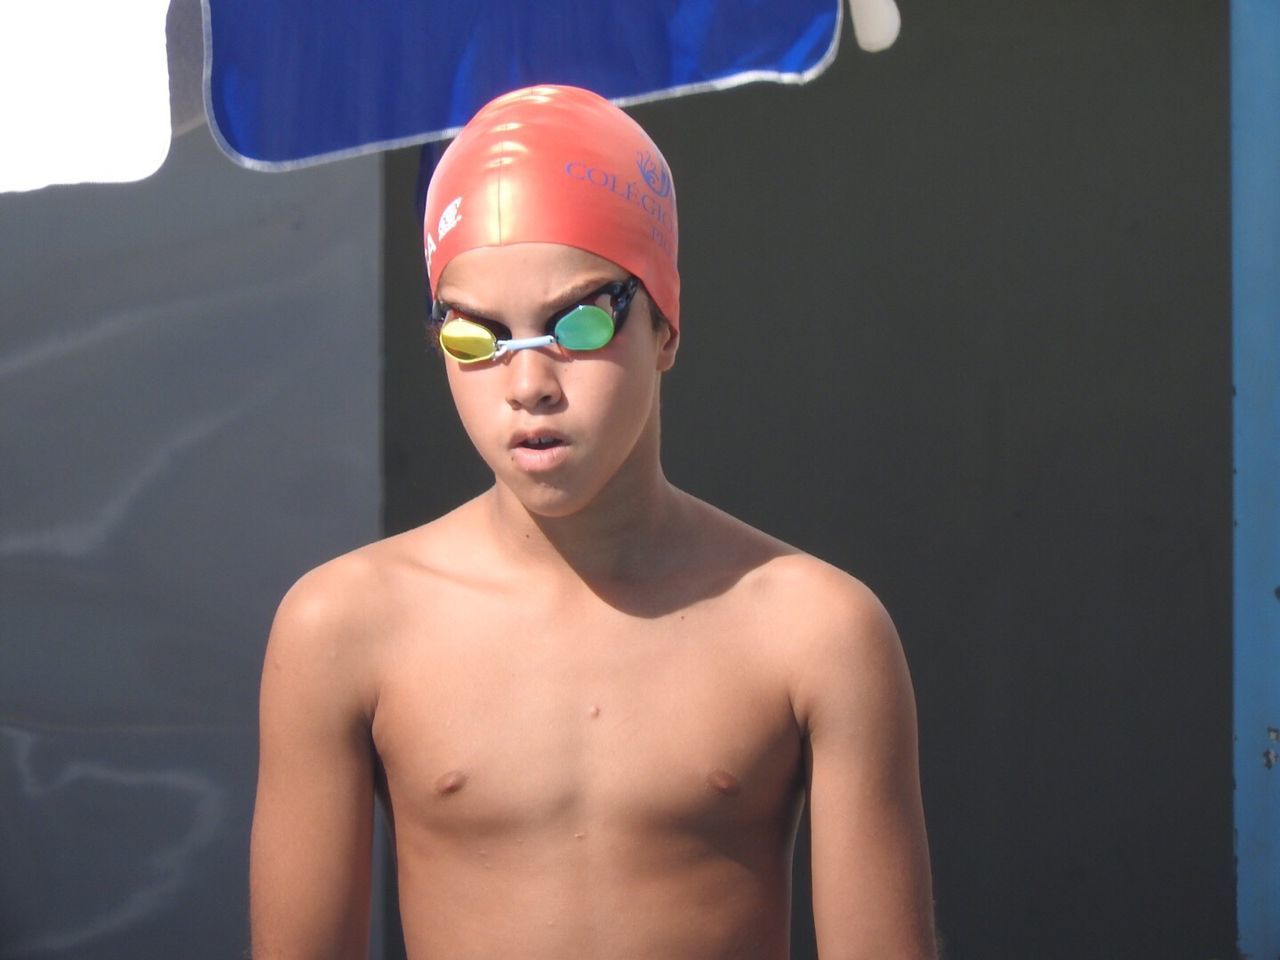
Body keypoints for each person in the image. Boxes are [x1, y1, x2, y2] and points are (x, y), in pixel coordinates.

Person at [249, 84, 936, 960]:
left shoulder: (815, 632)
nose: (528, 382)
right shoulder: (343, 627)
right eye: (475, 337)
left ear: (666, 326)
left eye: (576, 323)